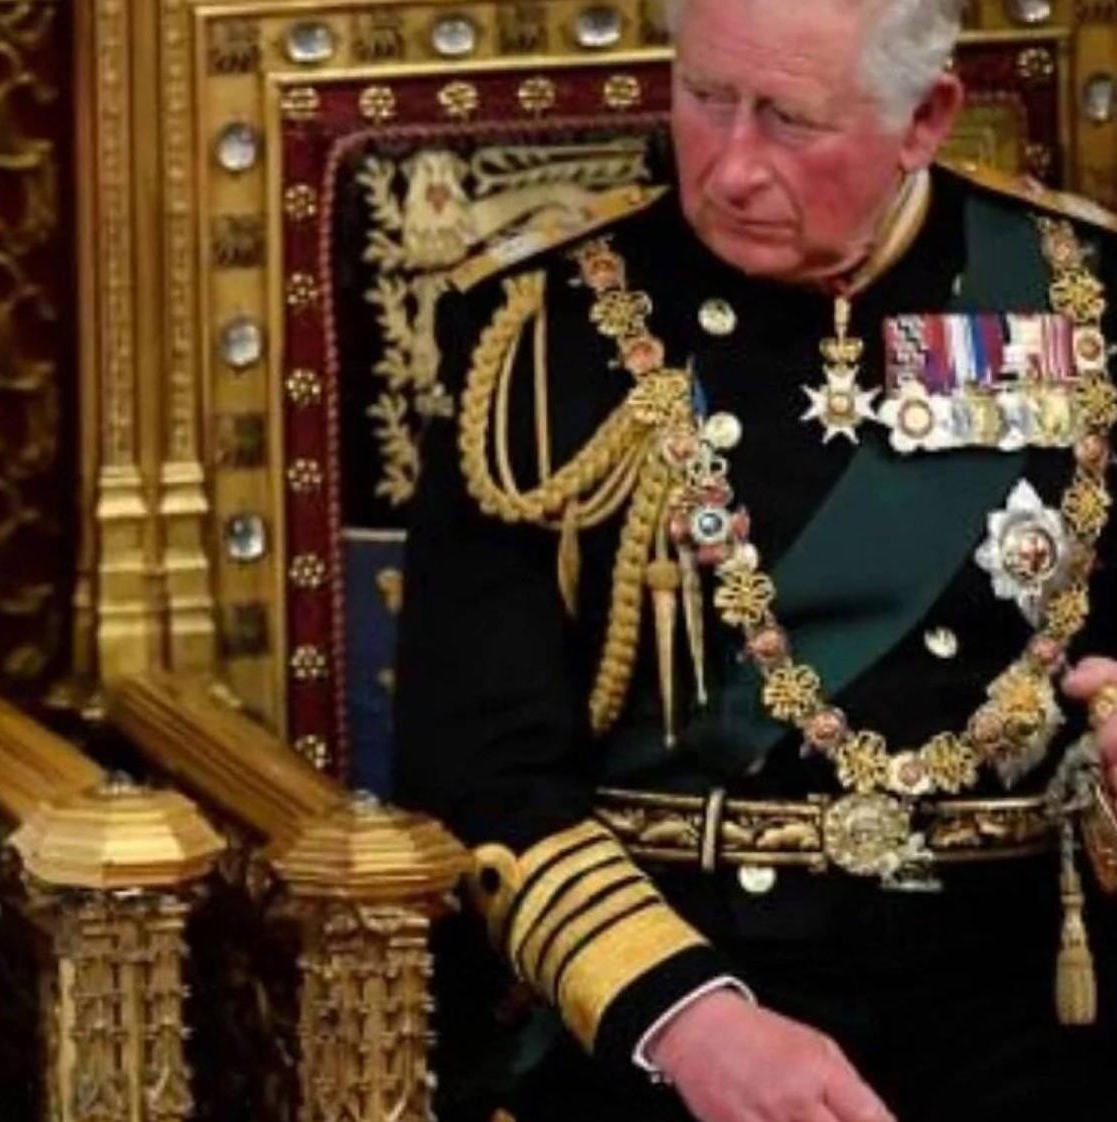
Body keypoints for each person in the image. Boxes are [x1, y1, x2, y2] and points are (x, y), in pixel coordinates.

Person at [392, 1, 1117, 1120]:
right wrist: (688, 1020)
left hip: (1031, 996)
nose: (731, 168)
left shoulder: (1086, 297)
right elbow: (475, 757)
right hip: (673, 984)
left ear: (924, 119)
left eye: (787, 118)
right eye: (704, 98)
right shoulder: (542, 331)